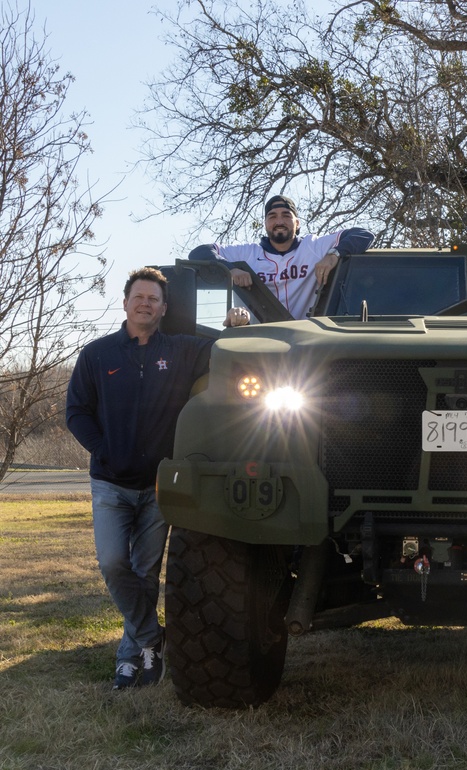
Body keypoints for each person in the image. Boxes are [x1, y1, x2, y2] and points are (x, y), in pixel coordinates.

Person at [66, 268, 237, 689]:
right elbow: (76, 413)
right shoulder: (97, 354)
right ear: (125, 303)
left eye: (154, 299)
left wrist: (234, 328)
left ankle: (131, 658)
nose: (146, 304)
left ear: (164, 308)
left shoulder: (181, 350)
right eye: (139, 297)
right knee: (111, 563)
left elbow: (227, 350)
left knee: (145, 573)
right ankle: (150, 637)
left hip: (159, 486)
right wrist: (104, 449)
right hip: (110, 483)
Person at [189, 195, 375, 321]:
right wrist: (230, 268)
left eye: (286, 216)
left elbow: (363, 234)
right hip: (259, 342)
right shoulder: (247, 253)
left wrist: (334, 255)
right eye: (272, 216)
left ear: (297, 223)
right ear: (266, 224)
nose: (279, 221)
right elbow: (199, 252)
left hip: (308, 338)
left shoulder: (313, 246)